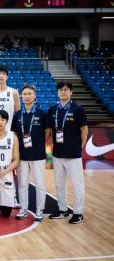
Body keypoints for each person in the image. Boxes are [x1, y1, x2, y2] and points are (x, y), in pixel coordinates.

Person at [46, 81, 88, 224]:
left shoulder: (78, 109)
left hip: (73, 154)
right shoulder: (52, 109)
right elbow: (50, 131)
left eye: (65, 90)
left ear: (71, 92)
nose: (62, 92)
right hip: (57, 154)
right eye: (60, 90)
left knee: (77, 184)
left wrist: (80, 147)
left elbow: (84, 130)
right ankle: (63, 210)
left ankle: (78, 212)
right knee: (59, 184)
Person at [11, 85, 49, 222]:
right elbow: (14, 134)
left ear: (34, 96)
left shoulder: (42, 114)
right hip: (22, 156)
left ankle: (39, 210)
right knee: (22, 184)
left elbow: (47, 132)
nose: (27, 96)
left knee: (40, 184)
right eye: (24, 94)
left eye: (29, 94)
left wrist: (39, 143)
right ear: (21, 96)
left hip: (38, 155)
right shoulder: (17, 115)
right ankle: (23, 209)